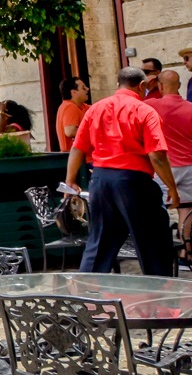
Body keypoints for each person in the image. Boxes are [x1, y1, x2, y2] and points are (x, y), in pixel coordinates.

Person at [66, 66, 179, 276]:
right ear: (142, 85)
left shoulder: (95, 109)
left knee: (99, 242)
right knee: (152, 240)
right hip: (133, 181)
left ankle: (86, 290)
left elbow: (77, 148)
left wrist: (70, 180)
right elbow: (156, 156)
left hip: (100, 180)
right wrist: (172, 187)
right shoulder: (145, 111)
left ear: (118, 84)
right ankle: (159, 289)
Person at [152, 69, 192, 250]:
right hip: (189, 166)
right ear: (180, 86)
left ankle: (161, 252)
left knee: (158, 211)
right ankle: (186, 253)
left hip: (163, 168)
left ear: (160, 86)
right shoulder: (190, 108)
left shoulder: (151, 106)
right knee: (187, 210)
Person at [56, 78, 90, 152]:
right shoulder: (70, 106)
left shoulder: (83, 106)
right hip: (73, 155)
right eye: (83, 88)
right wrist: (94, 133)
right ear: (74, 92)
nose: (87, 89)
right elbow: (70, 131)